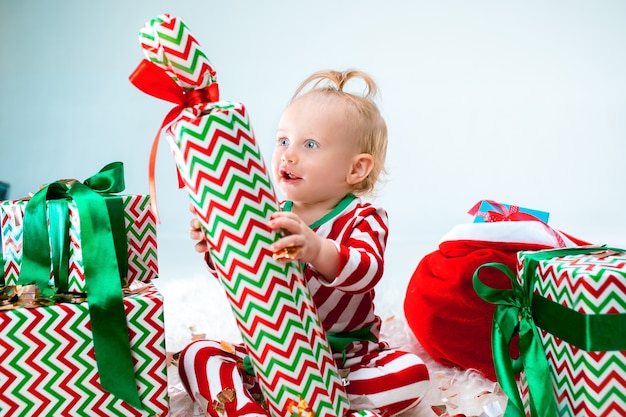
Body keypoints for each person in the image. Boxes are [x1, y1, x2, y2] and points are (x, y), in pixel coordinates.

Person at [178, 69, 430, 416]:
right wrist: (219, 247)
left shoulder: (363, 217)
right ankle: (245, 408)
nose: (288, 155)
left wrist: (316, 250)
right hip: (272, 358)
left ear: (356, 169)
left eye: (309, 145)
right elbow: (248, 278)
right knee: (197, 356)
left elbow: (367, 270)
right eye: (282, 141)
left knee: (410, 374)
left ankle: (330, 405)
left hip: (348, 360)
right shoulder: (267, 214)